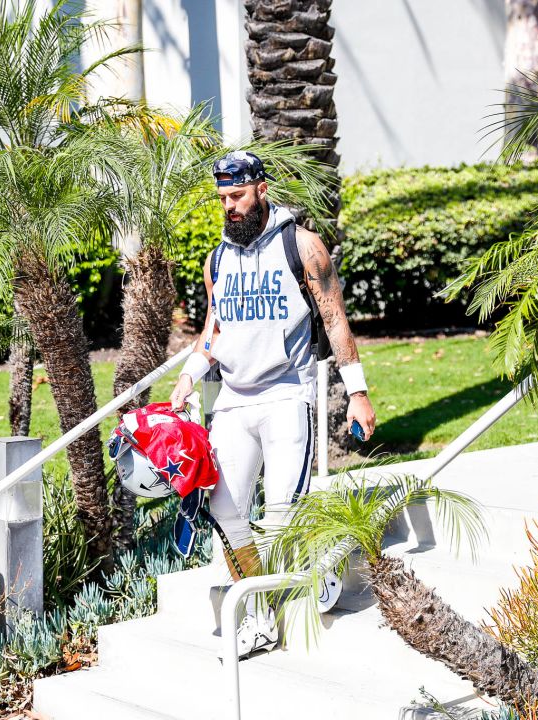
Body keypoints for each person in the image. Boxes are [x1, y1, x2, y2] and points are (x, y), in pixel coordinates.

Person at [169, 150, 376, 658]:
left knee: (284, 513)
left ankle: (317, 562)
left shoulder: (302, 247)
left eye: (237, 196)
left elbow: (334, 319)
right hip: (234, 403)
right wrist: (189, 375)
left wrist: (358, 392)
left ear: (262, 188)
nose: (229, 208)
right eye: (222, 199)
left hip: (288, 395)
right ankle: (258, 619)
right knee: (229, 515)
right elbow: (213, 330)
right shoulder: (216, 259)